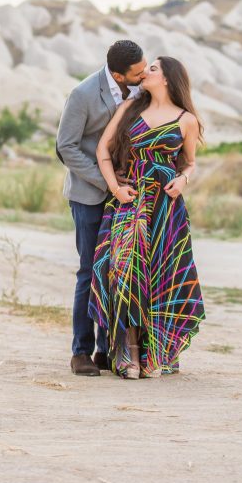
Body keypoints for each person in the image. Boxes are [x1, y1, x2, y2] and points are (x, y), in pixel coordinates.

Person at [89, 56, 205, 379]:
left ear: (167, 78)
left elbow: (190, 163)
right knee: (125, 271)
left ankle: (153, 351)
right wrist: (115, 188)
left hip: (165, 208)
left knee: (158, 275)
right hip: (129, 200)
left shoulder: (186, 120)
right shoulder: (130, 109)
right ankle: (129, 352)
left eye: (152, 68)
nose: (145, 73)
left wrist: (182, 181)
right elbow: (103, 151)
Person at [56, 39, 147, 376]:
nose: (143, 76)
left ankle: (105, 350)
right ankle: (80, 351)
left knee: (115, 272)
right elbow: (65, 147)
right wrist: (107, 182)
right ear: (119, 75)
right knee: (88, 271)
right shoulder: (82, 95)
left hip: (127, 196)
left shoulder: (138, 90)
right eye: (137, 73)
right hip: (89, 195)